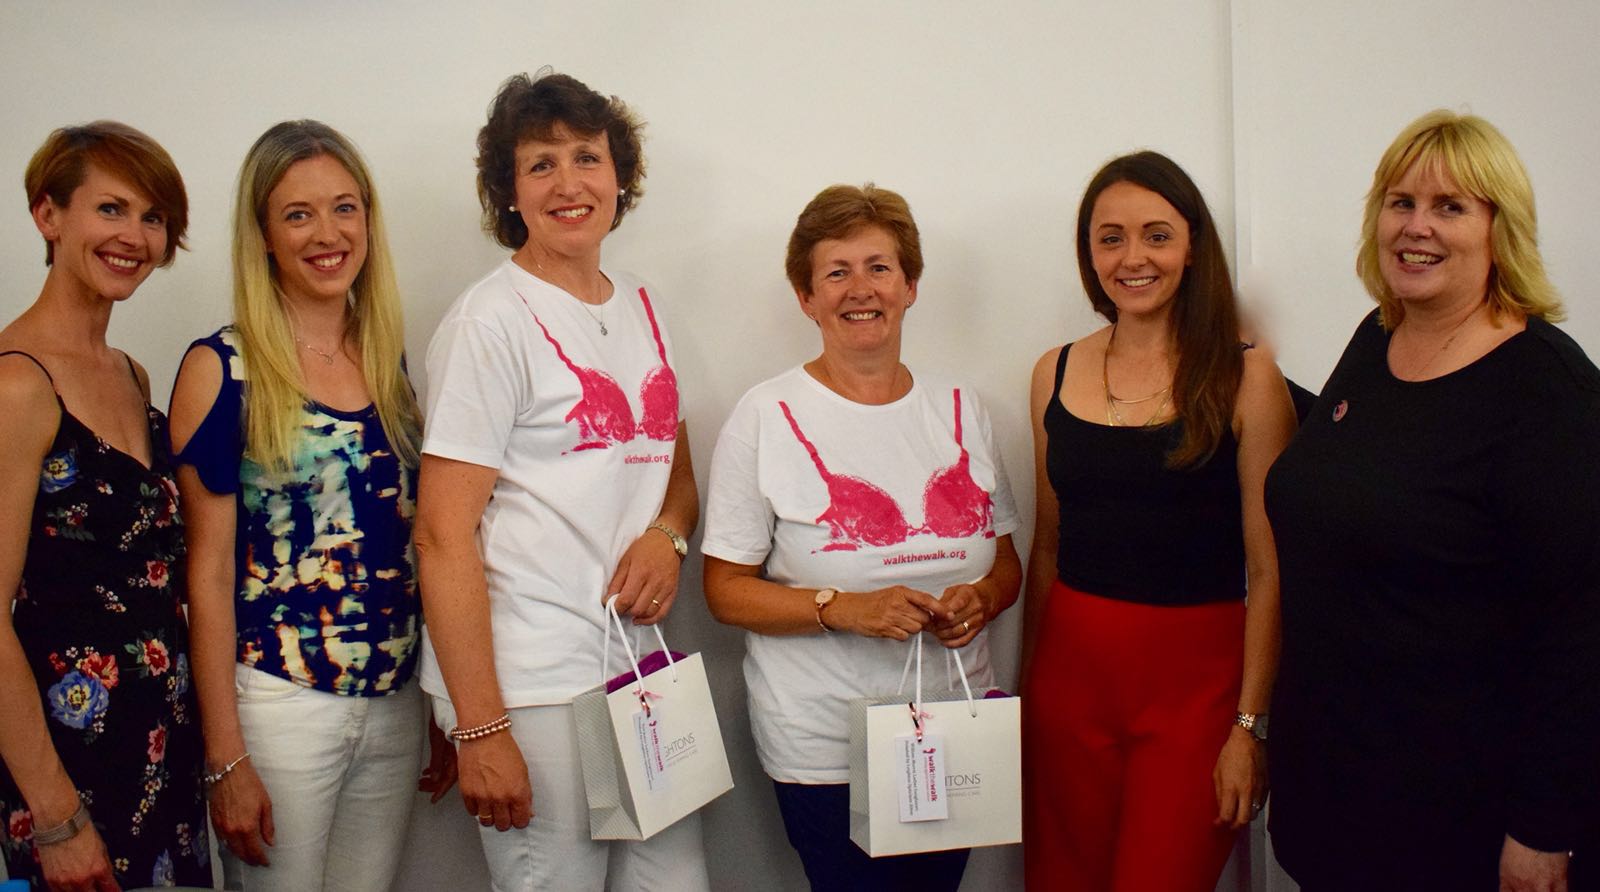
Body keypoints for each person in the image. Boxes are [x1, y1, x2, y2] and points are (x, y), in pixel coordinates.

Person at [1265, 110, 1600, 892]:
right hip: (1338, 795)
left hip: (1462, 821)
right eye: (1400, 202)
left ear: (1499, 230)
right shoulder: (1377, 338)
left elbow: (1581, 629)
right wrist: (1233, 373)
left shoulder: (1548, 391)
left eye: (1451, 207)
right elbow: (1367, 467)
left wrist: (1545, 829)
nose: (1417, 227)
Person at [412, 71, 707, 890]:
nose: (570, 183)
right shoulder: (488, 323)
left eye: (587, 157)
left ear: (620, 177)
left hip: (639, 673)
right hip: (534, 684)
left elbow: (674, 472)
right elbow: (441, 536)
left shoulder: (644, 303)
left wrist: (668, 534)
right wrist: (480, 728)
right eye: (541, 164)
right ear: (509, 191)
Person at [701, 183, 1023, 891]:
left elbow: (1005, 563)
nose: (860, 289)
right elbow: (724, 593)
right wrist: (843, 608)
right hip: (825, 748)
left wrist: (984, 599)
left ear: (910, 286)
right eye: (835, 272)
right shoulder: (765, 416)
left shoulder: (964, 410)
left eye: (879, 267)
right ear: (806, 297)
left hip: (954, 732)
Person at [168, 120, 452, 891]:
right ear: (262, 232)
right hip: (278, 705)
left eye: (344, 208)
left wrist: (440, 699)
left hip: (392, 704)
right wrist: (226, 755)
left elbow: (411, 542)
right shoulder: (221, 369)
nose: (327, 234)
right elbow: (207, 571)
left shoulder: (387, 357)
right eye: (298, 214)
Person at [1020, 151, 1297, 891]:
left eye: (1156, 235)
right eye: (1110, 237)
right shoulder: (1054, 370)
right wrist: (1023, 696)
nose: (1132, 257)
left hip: (1196, 695)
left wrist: (1249, 728)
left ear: (1193, 245)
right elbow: (1047, 547)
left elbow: (1270, 569)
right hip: (1068, 684)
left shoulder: (1247, 375)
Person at [0, 122, 210, 890]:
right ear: (47, 216)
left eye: (153, 218)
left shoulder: (132, 375)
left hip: (163, 746)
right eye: (111, 210)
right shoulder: (16, 385)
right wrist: (56, 817)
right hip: (69, 771)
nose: (135, 237)